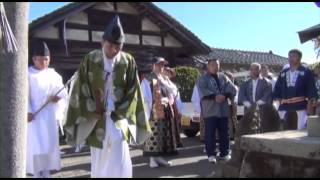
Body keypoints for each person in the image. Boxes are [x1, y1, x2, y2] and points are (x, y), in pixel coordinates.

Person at [64, 15, 151, 178]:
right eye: (110, 45)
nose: (114, 50)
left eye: (118, 46)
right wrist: (93, 108)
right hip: (96, 118)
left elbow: (133, 91)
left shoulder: (128, 61)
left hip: (118, 116)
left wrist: (120, 110)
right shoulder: (90, 59)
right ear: (102, 43)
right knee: (99, 155)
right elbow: (80, 88)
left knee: (119, 150)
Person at [27, 41, 68, 178]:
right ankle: (36, 173)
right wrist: (27, 111)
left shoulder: (53, 74)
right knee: (36, 145)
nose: (45, 62)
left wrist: (58, 98)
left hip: (49, 114)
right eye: (42, 59)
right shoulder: (28, 74)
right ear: (34, 59)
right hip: (35, 116)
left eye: (47, 59)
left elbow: (63, 92)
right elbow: (24, 96)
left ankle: (46, 172)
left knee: (48, 146)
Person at [141, 57, 179, 168]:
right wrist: (148, 111)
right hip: (153, 111)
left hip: (165, 110)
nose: (161, 67)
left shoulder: (164, 79)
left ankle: (158, 158)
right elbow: (144, 96)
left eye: (163, 65)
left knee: (162, 135)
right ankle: (153, 159)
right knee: (154, 135)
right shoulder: (147, 79)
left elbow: (174, 91)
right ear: (153, 65)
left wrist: (167, 96)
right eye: (159, 65)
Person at [197, 58, 237, 164]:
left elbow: (233, 89)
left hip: (223, 110)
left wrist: (225, 95)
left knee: (225, 132)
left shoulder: (223, 77)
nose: (216, 67)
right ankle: (211, 154)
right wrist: (215, 96)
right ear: (208, 66)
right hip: (210, 110)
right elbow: (202, 90)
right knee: (210, 133)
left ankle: (224, 153)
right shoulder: (202, 79)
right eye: (213, 65)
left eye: (217, 65)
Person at [273, 49, 318, 130]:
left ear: (300, 58)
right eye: (289, 56)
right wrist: (280, 102)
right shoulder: (283, 73)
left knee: (299, 132)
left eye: (293, 56)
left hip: (300, 107)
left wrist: (309, 109)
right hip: (284, 107)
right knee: (281, 132)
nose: (291, 58)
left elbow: (311, 90)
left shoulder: (306, 72)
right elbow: (277, 90)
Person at [163, 67, 184, 148]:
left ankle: (175, 142)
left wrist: (179, 108)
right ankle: (168, 144)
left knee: (175, 124)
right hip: (168, 104)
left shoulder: (171, 83)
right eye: (167, 71)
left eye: (169, 72)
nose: (168, 73)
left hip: (174, 104)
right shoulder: (162, 82)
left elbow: (176, 95)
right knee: (168, 125)